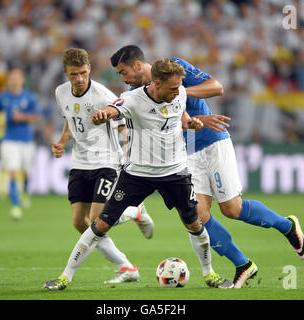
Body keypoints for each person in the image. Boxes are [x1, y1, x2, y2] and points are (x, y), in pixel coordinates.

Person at [110, 45, 304, 288]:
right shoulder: (136, 93)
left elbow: (216, 87)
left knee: (232, 209)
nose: (123, 79)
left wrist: (180, 92)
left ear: (138, 65)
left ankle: (287, 226)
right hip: (184, 155)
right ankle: (243, 264)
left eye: (123, 72)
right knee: (199, 216)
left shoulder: (174, 68)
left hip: (212, 142)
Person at [44, 59, 234, 290]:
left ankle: (209, 273)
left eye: (179, 87)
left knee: (195, 224)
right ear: (156, 82)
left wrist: (190, 123)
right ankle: (65, 277)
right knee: (100, 224)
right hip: (137, 174)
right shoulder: (134, 98)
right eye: (173, 88)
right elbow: (114, 108)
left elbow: (180, 114)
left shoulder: (179, 93)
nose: (178, 91)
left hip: (175, 173)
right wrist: (103, 114)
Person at [51, 48, 154, 284]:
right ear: (66, 73)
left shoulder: (103, 95)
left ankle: (135, 211)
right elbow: (70, 120)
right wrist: (62, 143)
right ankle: (126, 267)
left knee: (99, 219)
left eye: (83, 73)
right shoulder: (61, 93)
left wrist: (127, 154)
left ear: (89, 70)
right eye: (73, 74)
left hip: (106, 161)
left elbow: (123, 124)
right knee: (79, 222)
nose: (79, 79)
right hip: (80, 163)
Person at [0, 68, 41, 220]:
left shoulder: (30, 97)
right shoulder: (2, 97)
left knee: (26, 172)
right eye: (12, 77)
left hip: (27, 141)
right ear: (9, 80)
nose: (15, 80)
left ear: (22, 80)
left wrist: (22, 117)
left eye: (17, 77)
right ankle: (15, 207)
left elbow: (37, 118)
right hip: (9, 140)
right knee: (13, 172)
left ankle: (26, 193)